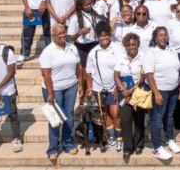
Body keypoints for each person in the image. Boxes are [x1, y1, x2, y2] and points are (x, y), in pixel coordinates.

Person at [39, 24, 81, 162]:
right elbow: (46, 75)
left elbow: (78, 67)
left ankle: (68, 143)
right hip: (54, 89)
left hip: (70, 86)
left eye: (64, 32)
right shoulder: (48, 51)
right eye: (59, 33)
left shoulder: (72, 47)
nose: (62, 35)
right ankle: (53, 148)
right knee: (55, 119)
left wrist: (80, 83)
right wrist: (50, 93)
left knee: (69, 116)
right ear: (53, 36)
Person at [82, 23, 122, 153]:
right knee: (104, 114)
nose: (104, 37)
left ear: (110, 34)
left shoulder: (118, 48)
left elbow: (123, 68)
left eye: (106, 34)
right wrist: (89, 89)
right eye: (101, 35)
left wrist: (119, 85)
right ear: (98, 36)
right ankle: (112, 138)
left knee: (115, 114)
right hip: (98, 88)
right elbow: (88, 72)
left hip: (113, 87)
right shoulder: (94, 51)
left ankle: (119, 138)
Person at [144, 26, 180, 161]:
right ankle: (157, 148)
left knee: (170, 117)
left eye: (165, 35)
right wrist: (157, 93)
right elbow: (149, 75)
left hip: (173, 89)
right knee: (157, 119)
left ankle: (170, 140)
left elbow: (177, 70)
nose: (163, 37)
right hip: (160, 91)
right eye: (160, 35)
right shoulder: (151, 52)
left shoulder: (172, 50)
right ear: (155, 37)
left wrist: (179, 86)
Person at [113, 33, 147, 161]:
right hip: (124, 94)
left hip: (139, 93)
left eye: (134, 44)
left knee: (139, 120)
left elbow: (143, 77)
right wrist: (123, 90)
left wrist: (130, 91)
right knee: (126, 120)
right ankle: (127, 148)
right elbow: (116, 76)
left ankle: (139, 144)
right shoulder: (121, 57)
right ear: (125, 46)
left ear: (138, 44)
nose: (131, 47)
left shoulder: (143, 57)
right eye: (129, 45)